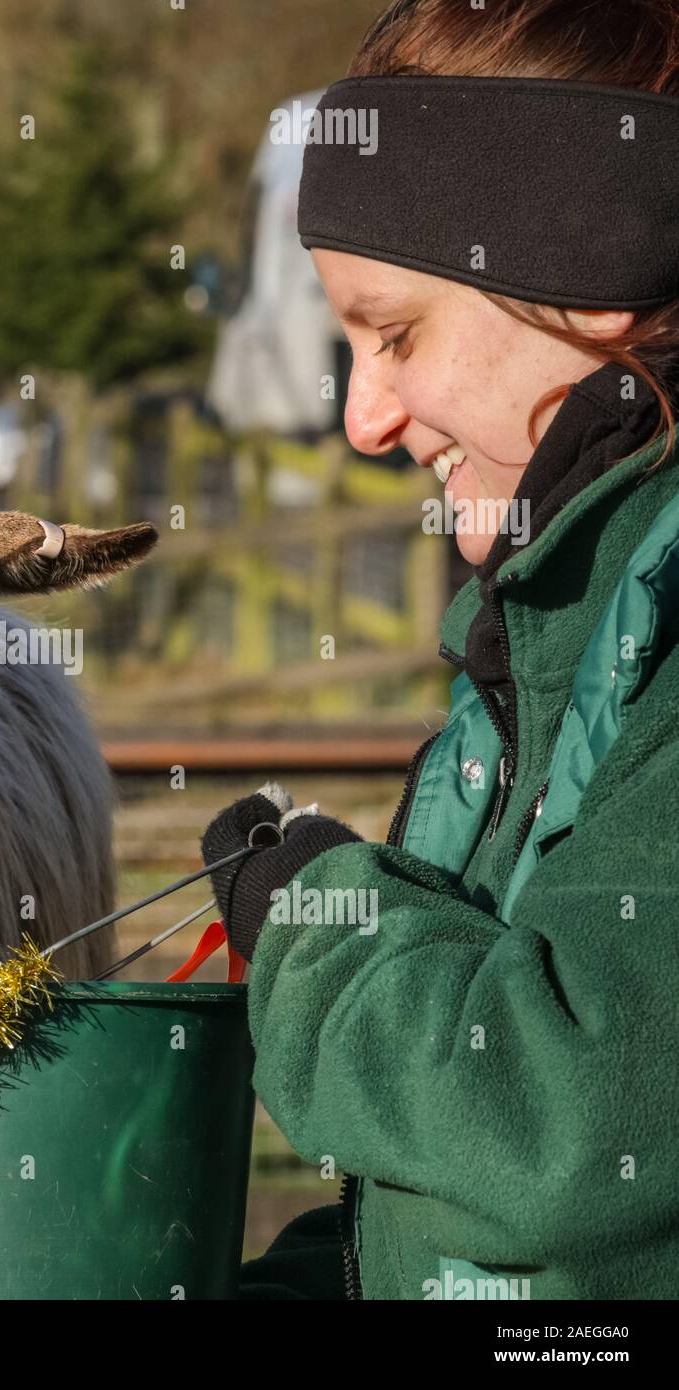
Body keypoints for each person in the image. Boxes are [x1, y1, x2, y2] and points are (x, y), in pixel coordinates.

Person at [204, 0, 679, 1300]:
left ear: (583, 273)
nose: (361, 418)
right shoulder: (522, 659)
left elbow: (578, 1141)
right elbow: (443, 1234)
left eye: (395, 331)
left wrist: (320, 917)